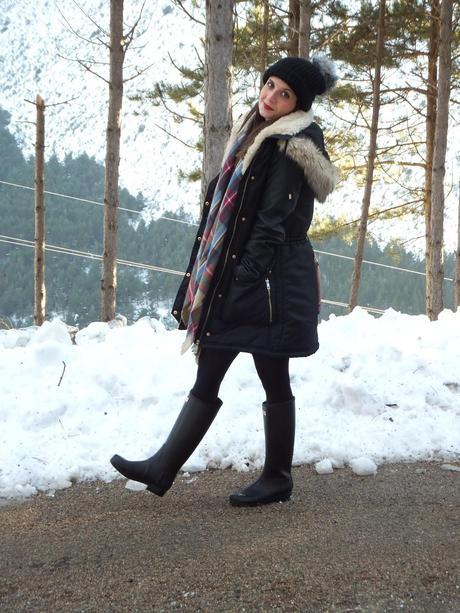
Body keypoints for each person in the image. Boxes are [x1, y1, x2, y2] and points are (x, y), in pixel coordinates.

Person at [111, 55, 339, 506]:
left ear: (299, 104)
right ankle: (170, 467)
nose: (270, 97)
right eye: (269, 85)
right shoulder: (254, 132)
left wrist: (241, 281)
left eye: (284, 93)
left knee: (267, 370)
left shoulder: (290, 146)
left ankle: (271, 477)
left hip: (269, 284)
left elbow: (271, 225)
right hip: (254, 279)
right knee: (224, 363)